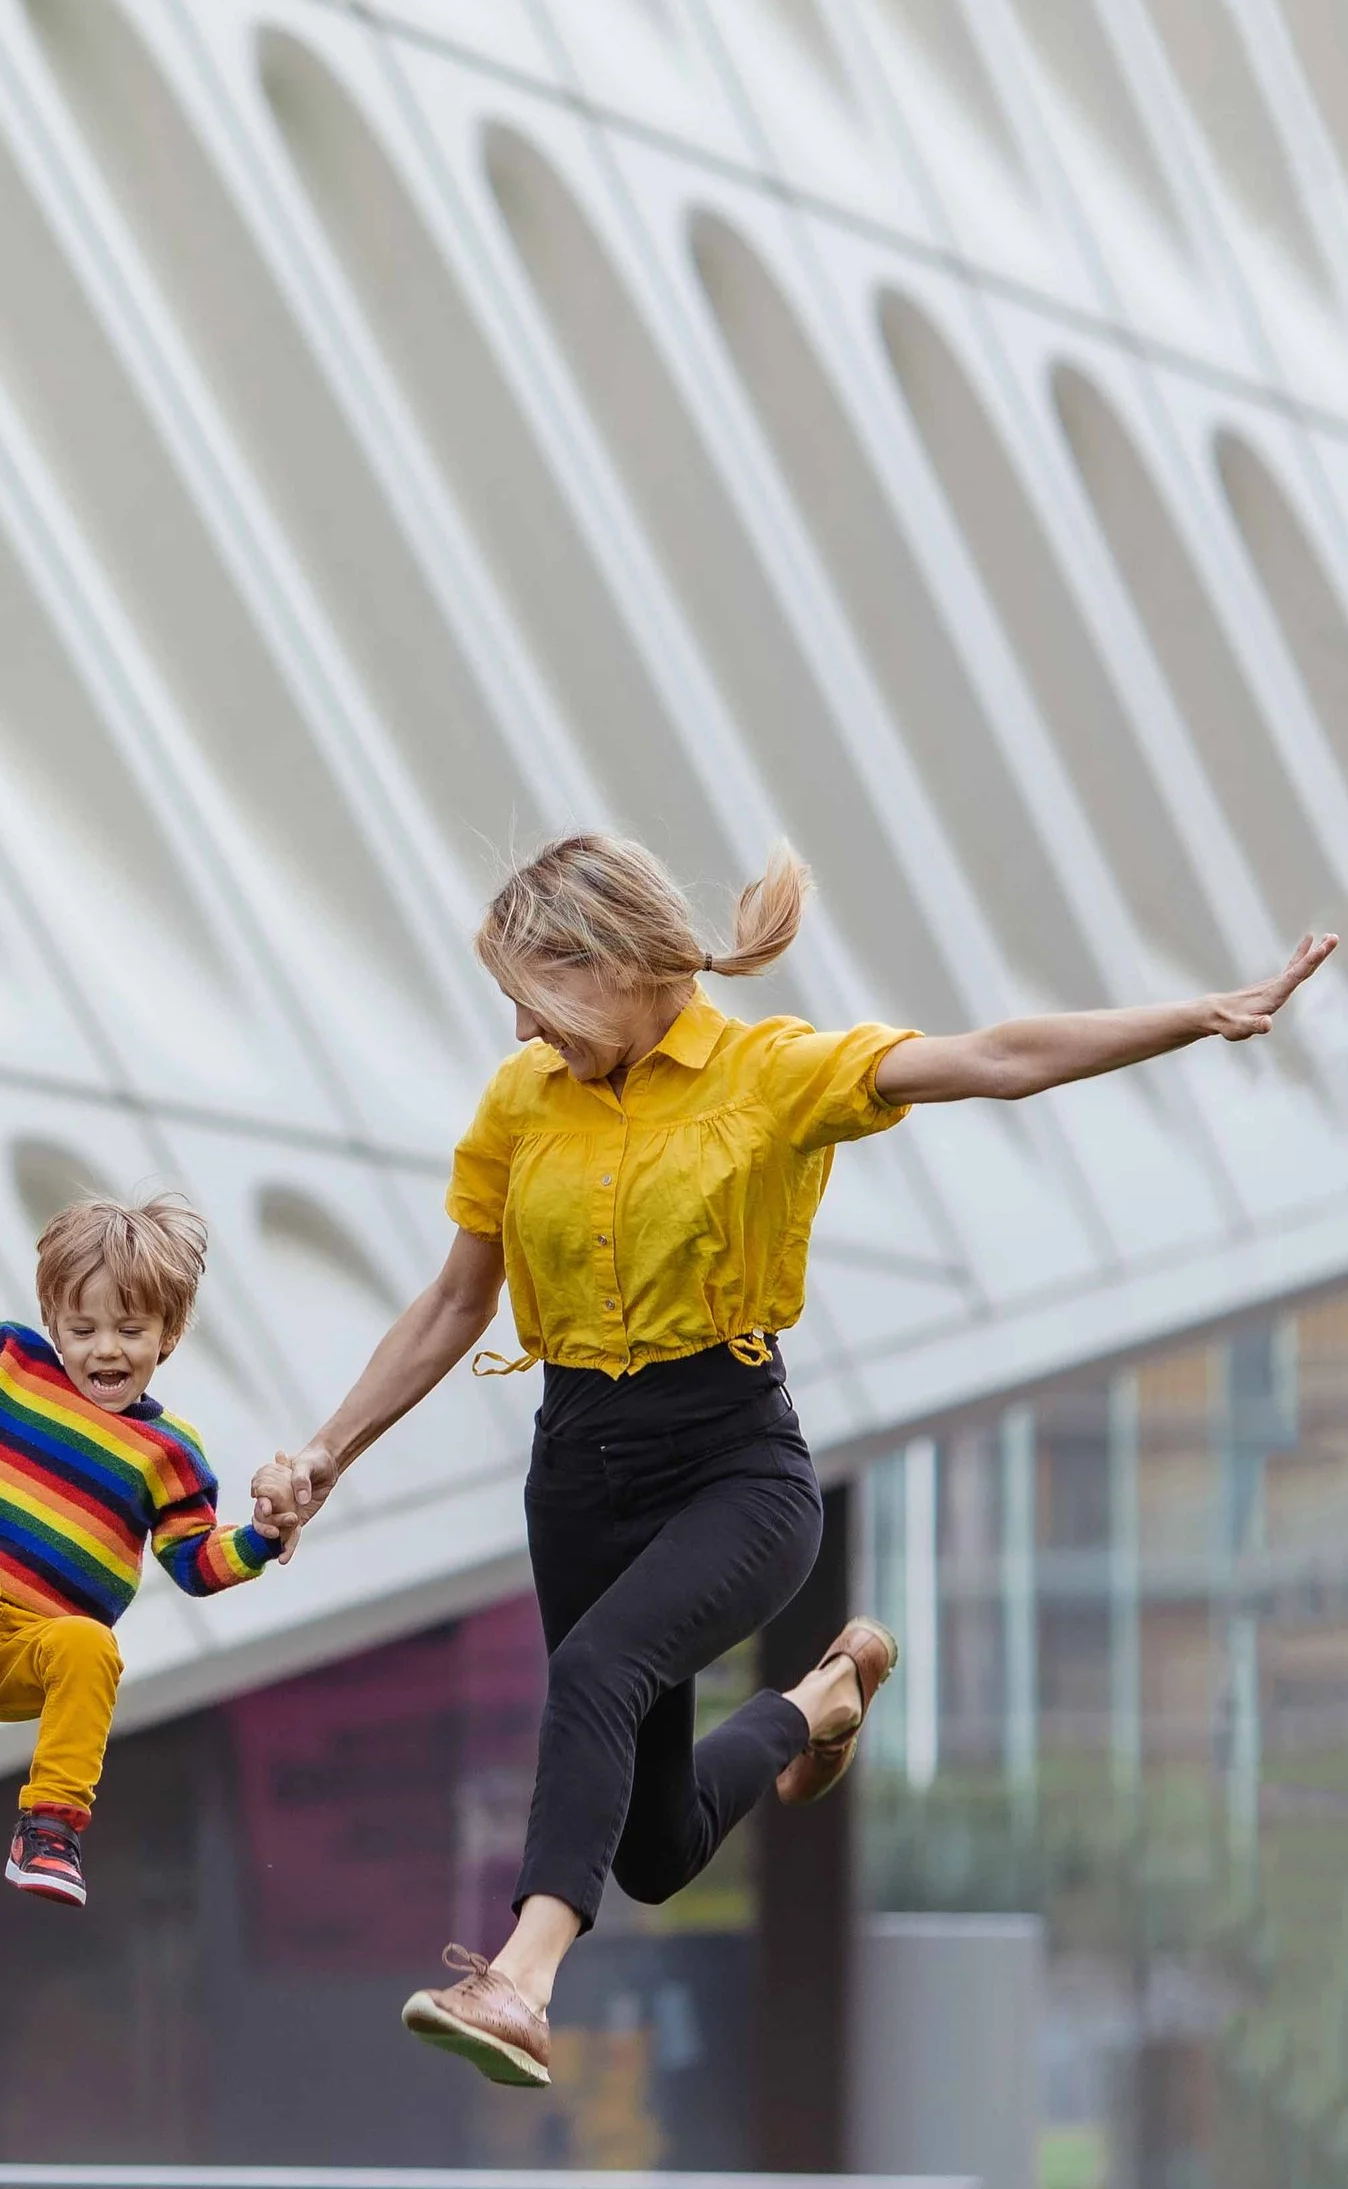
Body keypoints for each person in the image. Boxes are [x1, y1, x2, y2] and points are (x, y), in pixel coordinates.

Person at [250, 832, 1333, 2092]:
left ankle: (520, 1979)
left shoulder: (770, 1072)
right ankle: (818, 1703)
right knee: (651, 1849)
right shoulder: (518, 1101)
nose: (516, 1024)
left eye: (531, 992)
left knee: (598, 1664)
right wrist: (327, 1450)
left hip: (733, 1465)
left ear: (610, 963)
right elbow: (451, 1303)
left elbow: (989, 1057)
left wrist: (1202, 1014)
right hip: (576, 1468)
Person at [0, 1194, 288, 1906]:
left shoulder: (170, 1453)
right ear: (54, 1323)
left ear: (168, 1335)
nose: (104, 1348)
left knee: (91, 1643)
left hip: (23, 1663)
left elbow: (197, 1563)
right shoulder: (17, 1363)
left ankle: (51, 1828)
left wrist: (263, 1536)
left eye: (129, 1328)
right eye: (82, 1328)